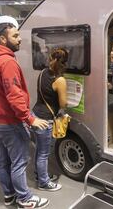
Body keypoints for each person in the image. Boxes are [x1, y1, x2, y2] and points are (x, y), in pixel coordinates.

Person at [0, 16, 50, 208]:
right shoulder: (7, 62)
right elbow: (14, 95)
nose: (20, 39)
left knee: (4, 161)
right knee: (20, 161)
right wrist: (29, 119)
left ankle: (9, 195)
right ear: (3, 39)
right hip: (11, 122)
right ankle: (25, 198)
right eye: (16, 36)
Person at [32, 48, 68, 191]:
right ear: (64, 63)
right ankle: (44, 183)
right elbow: (63, 104)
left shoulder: (42, 73)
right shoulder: (60, 80)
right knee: (44, 154)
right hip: (46, 120)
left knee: (39, 150)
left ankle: (39, 175)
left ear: (51, 59)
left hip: (35, 115)